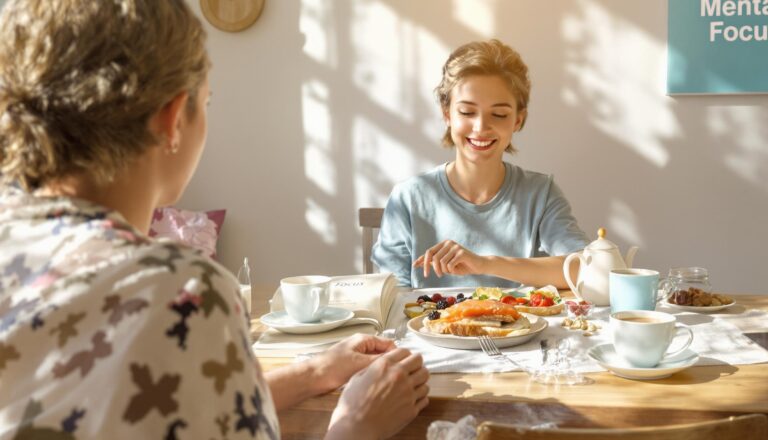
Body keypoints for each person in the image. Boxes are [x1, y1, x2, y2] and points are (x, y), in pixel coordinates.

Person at [0, 1, 427, 439]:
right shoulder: (178, 290)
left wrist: (313, 372)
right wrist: (356, 426)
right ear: (172, 118)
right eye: (207, 102)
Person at [372, 39, 588, 289]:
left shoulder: (541, 193)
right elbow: (391, 296)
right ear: (446, 114)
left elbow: (583, 267)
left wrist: (486, 264)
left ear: (518, 119)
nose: (481, 127)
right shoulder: (408, 198)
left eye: (499, 114)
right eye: (466, 112)